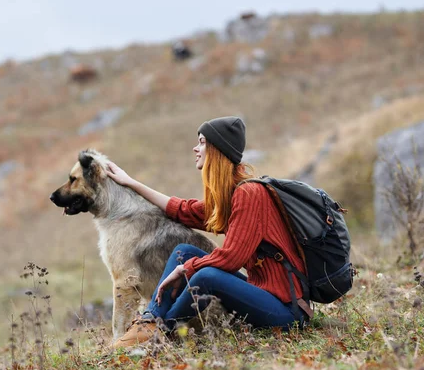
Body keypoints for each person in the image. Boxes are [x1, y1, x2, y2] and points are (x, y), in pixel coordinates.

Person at [106, 116, 309, 349]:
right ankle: (149, 322)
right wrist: (132, 183)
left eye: (202, 142)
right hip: (262, 296)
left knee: (205, 276)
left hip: (286, 313)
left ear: (218, 149)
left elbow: (232, 258)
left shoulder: (250, 194)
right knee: (183, 251)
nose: (195, 148)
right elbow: (182, 210)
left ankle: (158, 331)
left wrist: (186, 269)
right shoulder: (232, 196)